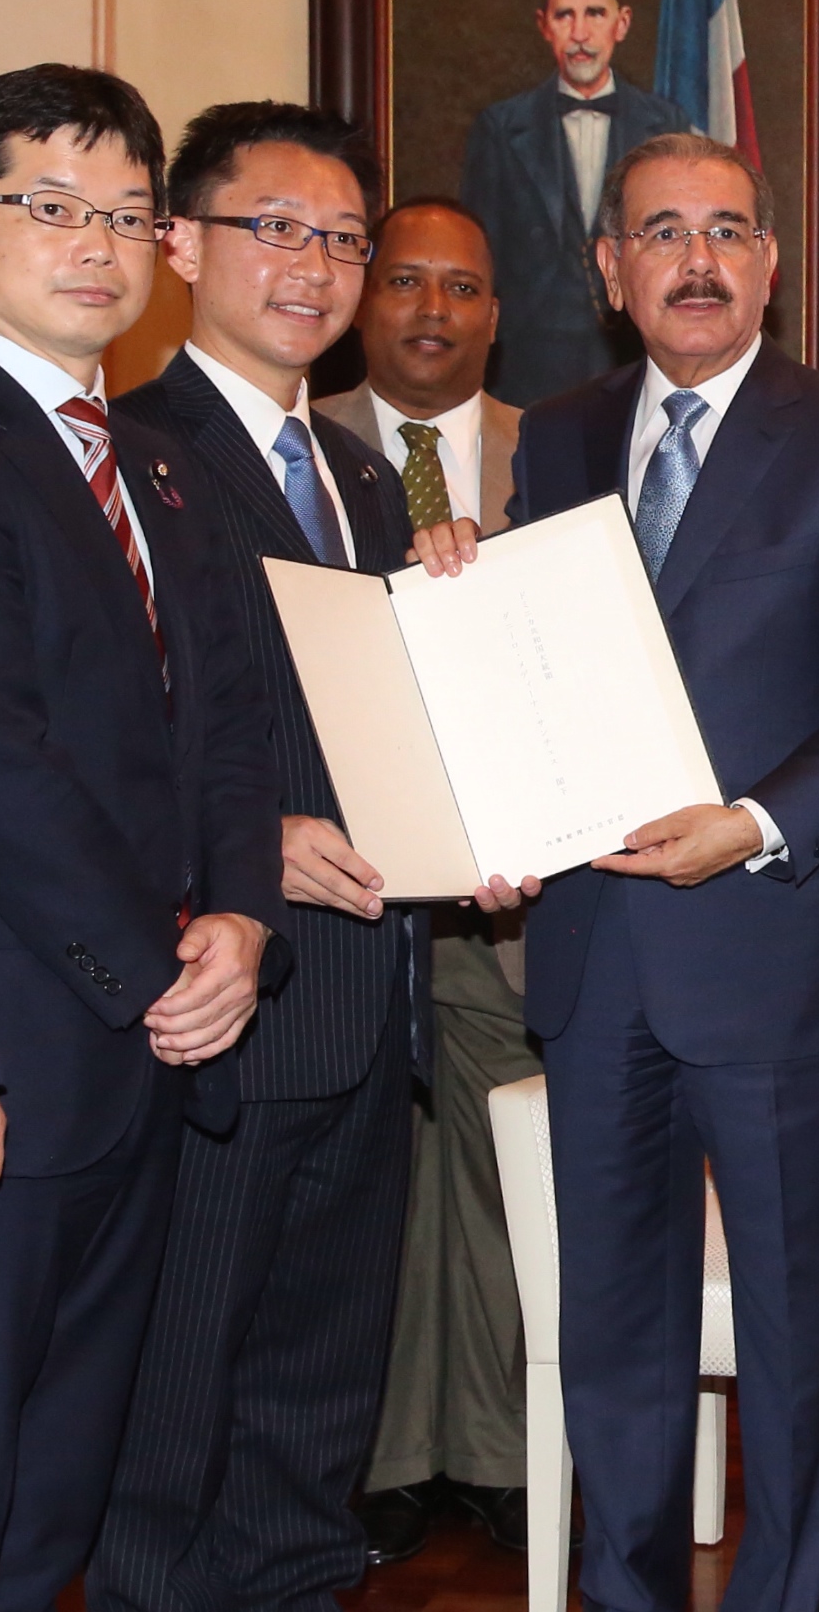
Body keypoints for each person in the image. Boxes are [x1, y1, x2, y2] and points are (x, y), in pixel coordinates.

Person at [415, 130, 819, 1612]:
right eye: (661, 231)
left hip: (780, 945)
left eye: (725, 230)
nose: (696, 259)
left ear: (769, 263)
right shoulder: (562, 437)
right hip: (596, 959)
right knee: (612, 1331)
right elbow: (530, 670)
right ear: (610, 269)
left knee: (790, 1329)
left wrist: (755, 820)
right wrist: (461, 604)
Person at [0, 64, 282, 1612]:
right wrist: (157, 967)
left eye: (128, 214)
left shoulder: (160, 468)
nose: (98, 244)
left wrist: (243, 920)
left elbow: (229, 725)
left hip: (152, 1045)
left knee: (67, 1472)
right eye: (51, 206)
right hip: (20, 1044)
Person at [90, 99, 418, 1612]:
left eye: (343, 239)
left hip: (367, 997)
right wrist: (243, 841)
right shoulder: (122, 451)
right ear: (179, 244)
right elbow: (84, 732)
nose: (314, 266)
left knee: (317, 1387)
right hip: (217, 999)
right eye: (274, 228)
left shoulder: (363, 476)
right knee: (178, 1393)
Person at [310, 196, 547, 1555]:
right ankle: (389, 1458)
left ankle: (502, 1455)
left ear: (494, 313)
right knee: (379, 1190)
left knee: (506, 1178)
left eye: (462, 287)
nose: (432, 310)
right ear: (365, 296)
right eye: (404, 280)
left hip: (520, 899)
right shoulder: (296, 446)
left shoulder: (560, 454)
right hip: (348, 893)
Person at [458, 0, 692, 407]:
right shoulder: (500, 128)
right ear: (544, 24)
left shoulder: (666, 125)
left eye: (595, 13)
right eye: (565, 15)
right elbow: (478, 257)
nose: (580, 33)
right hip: (526, 366)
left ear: (622, 23)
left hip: (634, 358)